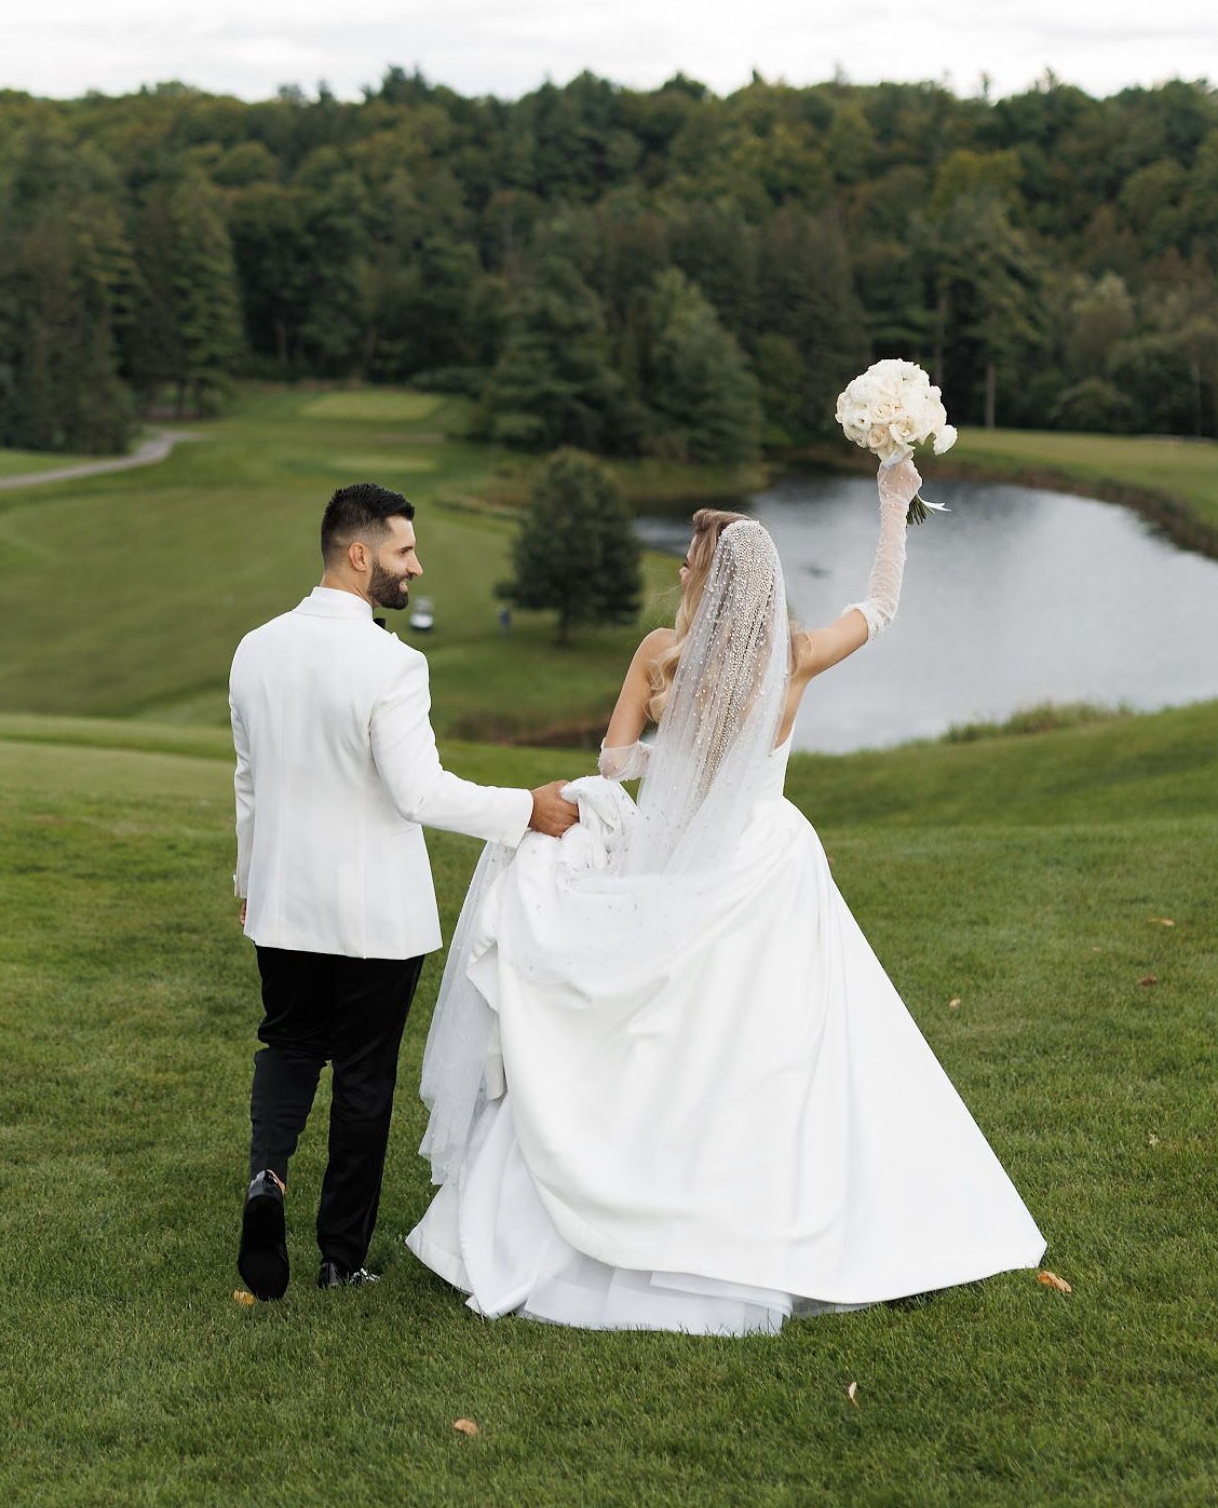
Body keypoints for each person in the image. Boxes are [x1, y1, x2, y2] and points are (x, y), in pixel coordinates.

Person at [407, 453, 1046, 1334]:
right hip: (765, 863)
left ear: (706, 580)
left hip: (675, 860)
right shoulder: (792, 656)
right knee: (773, 1043)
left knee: (662, 1032)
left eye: (686, 562)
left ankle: (616, 1188)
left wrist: (653, 766)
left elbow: (612, 764)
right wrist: (893, 502)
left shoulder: (659, 655)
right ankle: (768, 1194)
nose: (678, 572)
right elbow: (882, 605)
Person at [230, 481, 576, 1300]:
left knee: (286, 1045)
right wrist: (526, 808)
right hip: (373, 918)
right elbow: (419, 791)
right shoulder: (393, 662)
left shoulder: (255, 647)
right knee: (362, 1076)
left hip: (283, 902)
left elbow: (249, 780)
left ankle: (266, 1181)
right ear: (359, 554)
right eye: (403, 551)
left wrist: (250, 879)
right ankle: (339, 1256)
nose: (416, 567)